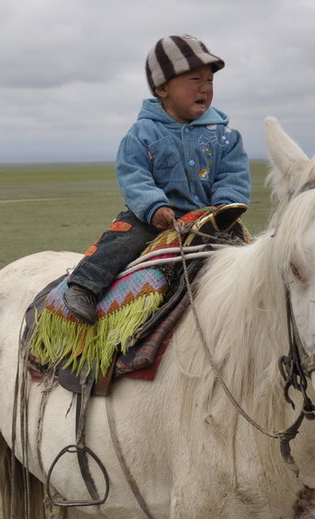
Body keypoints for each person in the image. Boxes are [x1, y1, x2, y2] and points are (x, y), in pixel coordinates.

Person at [63, 35, 252, 323]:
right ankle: (84, 286)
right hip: (154, 219)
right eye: (194, 79)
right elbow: (133, 174)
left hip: (210, 219)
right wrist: (153, 206)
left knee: (250, 258)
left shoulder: (225, 136)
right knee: (123, 239)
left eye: (209, 81)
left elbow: (233, 174)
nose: (205, 87)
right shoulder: (143, 133)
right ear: (162, 88)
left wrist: (224, 208)